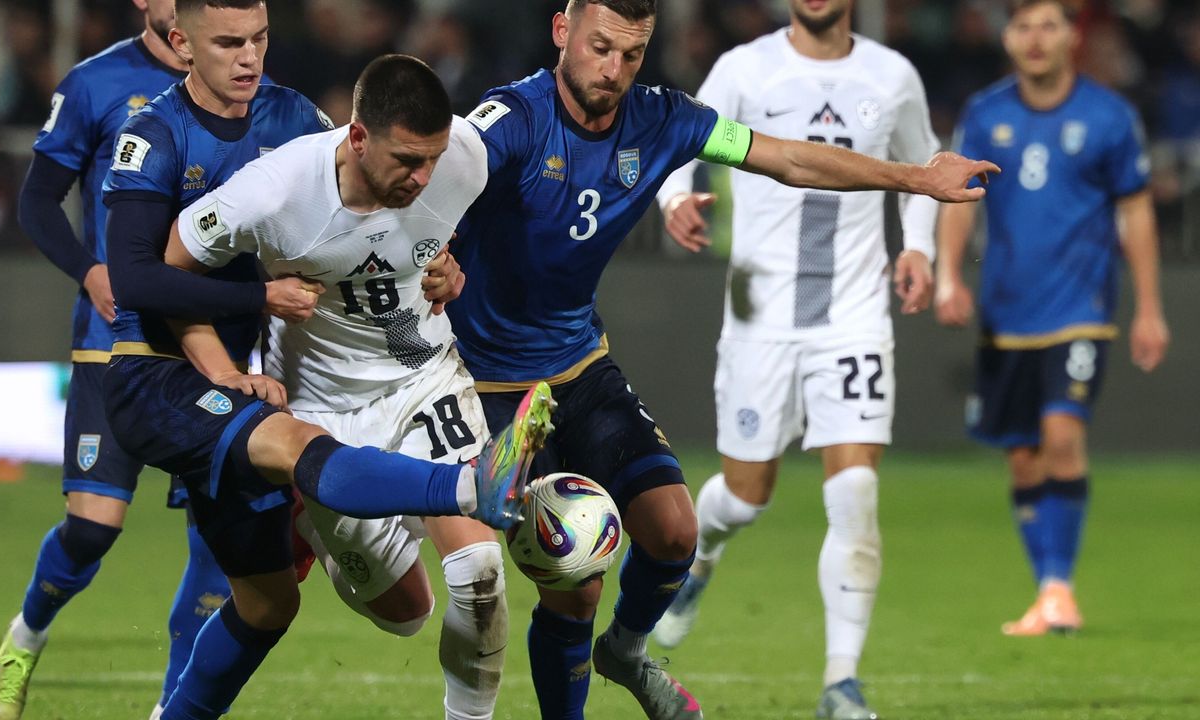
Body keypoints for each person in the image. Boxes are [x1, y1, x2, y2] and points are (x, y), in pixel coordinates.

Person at [447, 1, 996, 718]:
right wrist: (434, 254)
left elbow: (790, 157)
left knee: (675, 532)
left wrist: (916, 179)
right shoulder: (511, 118)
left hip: (579, 365)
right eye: (600, 47)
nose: (613, 69)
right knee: (575, 581)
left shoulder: (664, 119)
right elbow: (428, 180)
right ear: (562, 31)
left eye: (631, 54)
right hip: (489, 382)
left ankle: (627, 650)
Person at [99, 4, 552, 719]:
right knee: (403, 613)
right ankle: (338, 514)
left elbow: (445, 220)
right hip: (319, 403)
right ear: (358, 138)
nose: (422, 177)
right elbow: (160, 273)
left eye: (259, 39)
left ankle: (468, 504)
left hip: (422, 377)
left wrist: (448, 262)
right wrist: (230, 351)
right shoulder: (273, 188)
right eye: (406, 162)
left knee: (480, 571)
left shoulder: (459, 154)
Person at [649, 1, 939, 717]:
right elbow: (677, 142)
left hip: (854, 316)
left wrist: (918, 247)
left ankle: (841, 681)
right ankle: (702, 557)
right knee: (745, 497)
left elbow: (924, 163)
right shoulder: (745, 68)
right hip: (761, 321)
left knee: (855, 491)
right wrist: (675, 199)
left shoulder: (891, 74)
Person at [0, 3, 227, 718]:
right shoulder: (96, 83)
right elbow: (37, 201)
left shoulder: (252, 91)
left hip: (216, 343)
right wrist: (89, 271)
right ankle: (25, 639)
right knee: (91, 528)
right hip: (113, 340)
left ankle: (172, 709)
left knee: (219, 544)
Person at [935, 0, 1168, 637]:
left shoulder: (1108, 116)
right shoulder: (986, 113)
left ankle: (1060, 589)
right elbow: (958, 198)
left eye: (1048, 25)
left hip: (1080, 310)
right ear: (1008, 38)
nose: (1035, 38)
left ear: (1071, 36)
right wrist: (948, 274)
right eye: (1023, 26)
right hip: (1007, 311)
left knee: (1063, 436)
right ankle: (1048, 591)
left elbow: (1136, 210)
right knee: (1023, 458)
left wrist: (1149, 309)